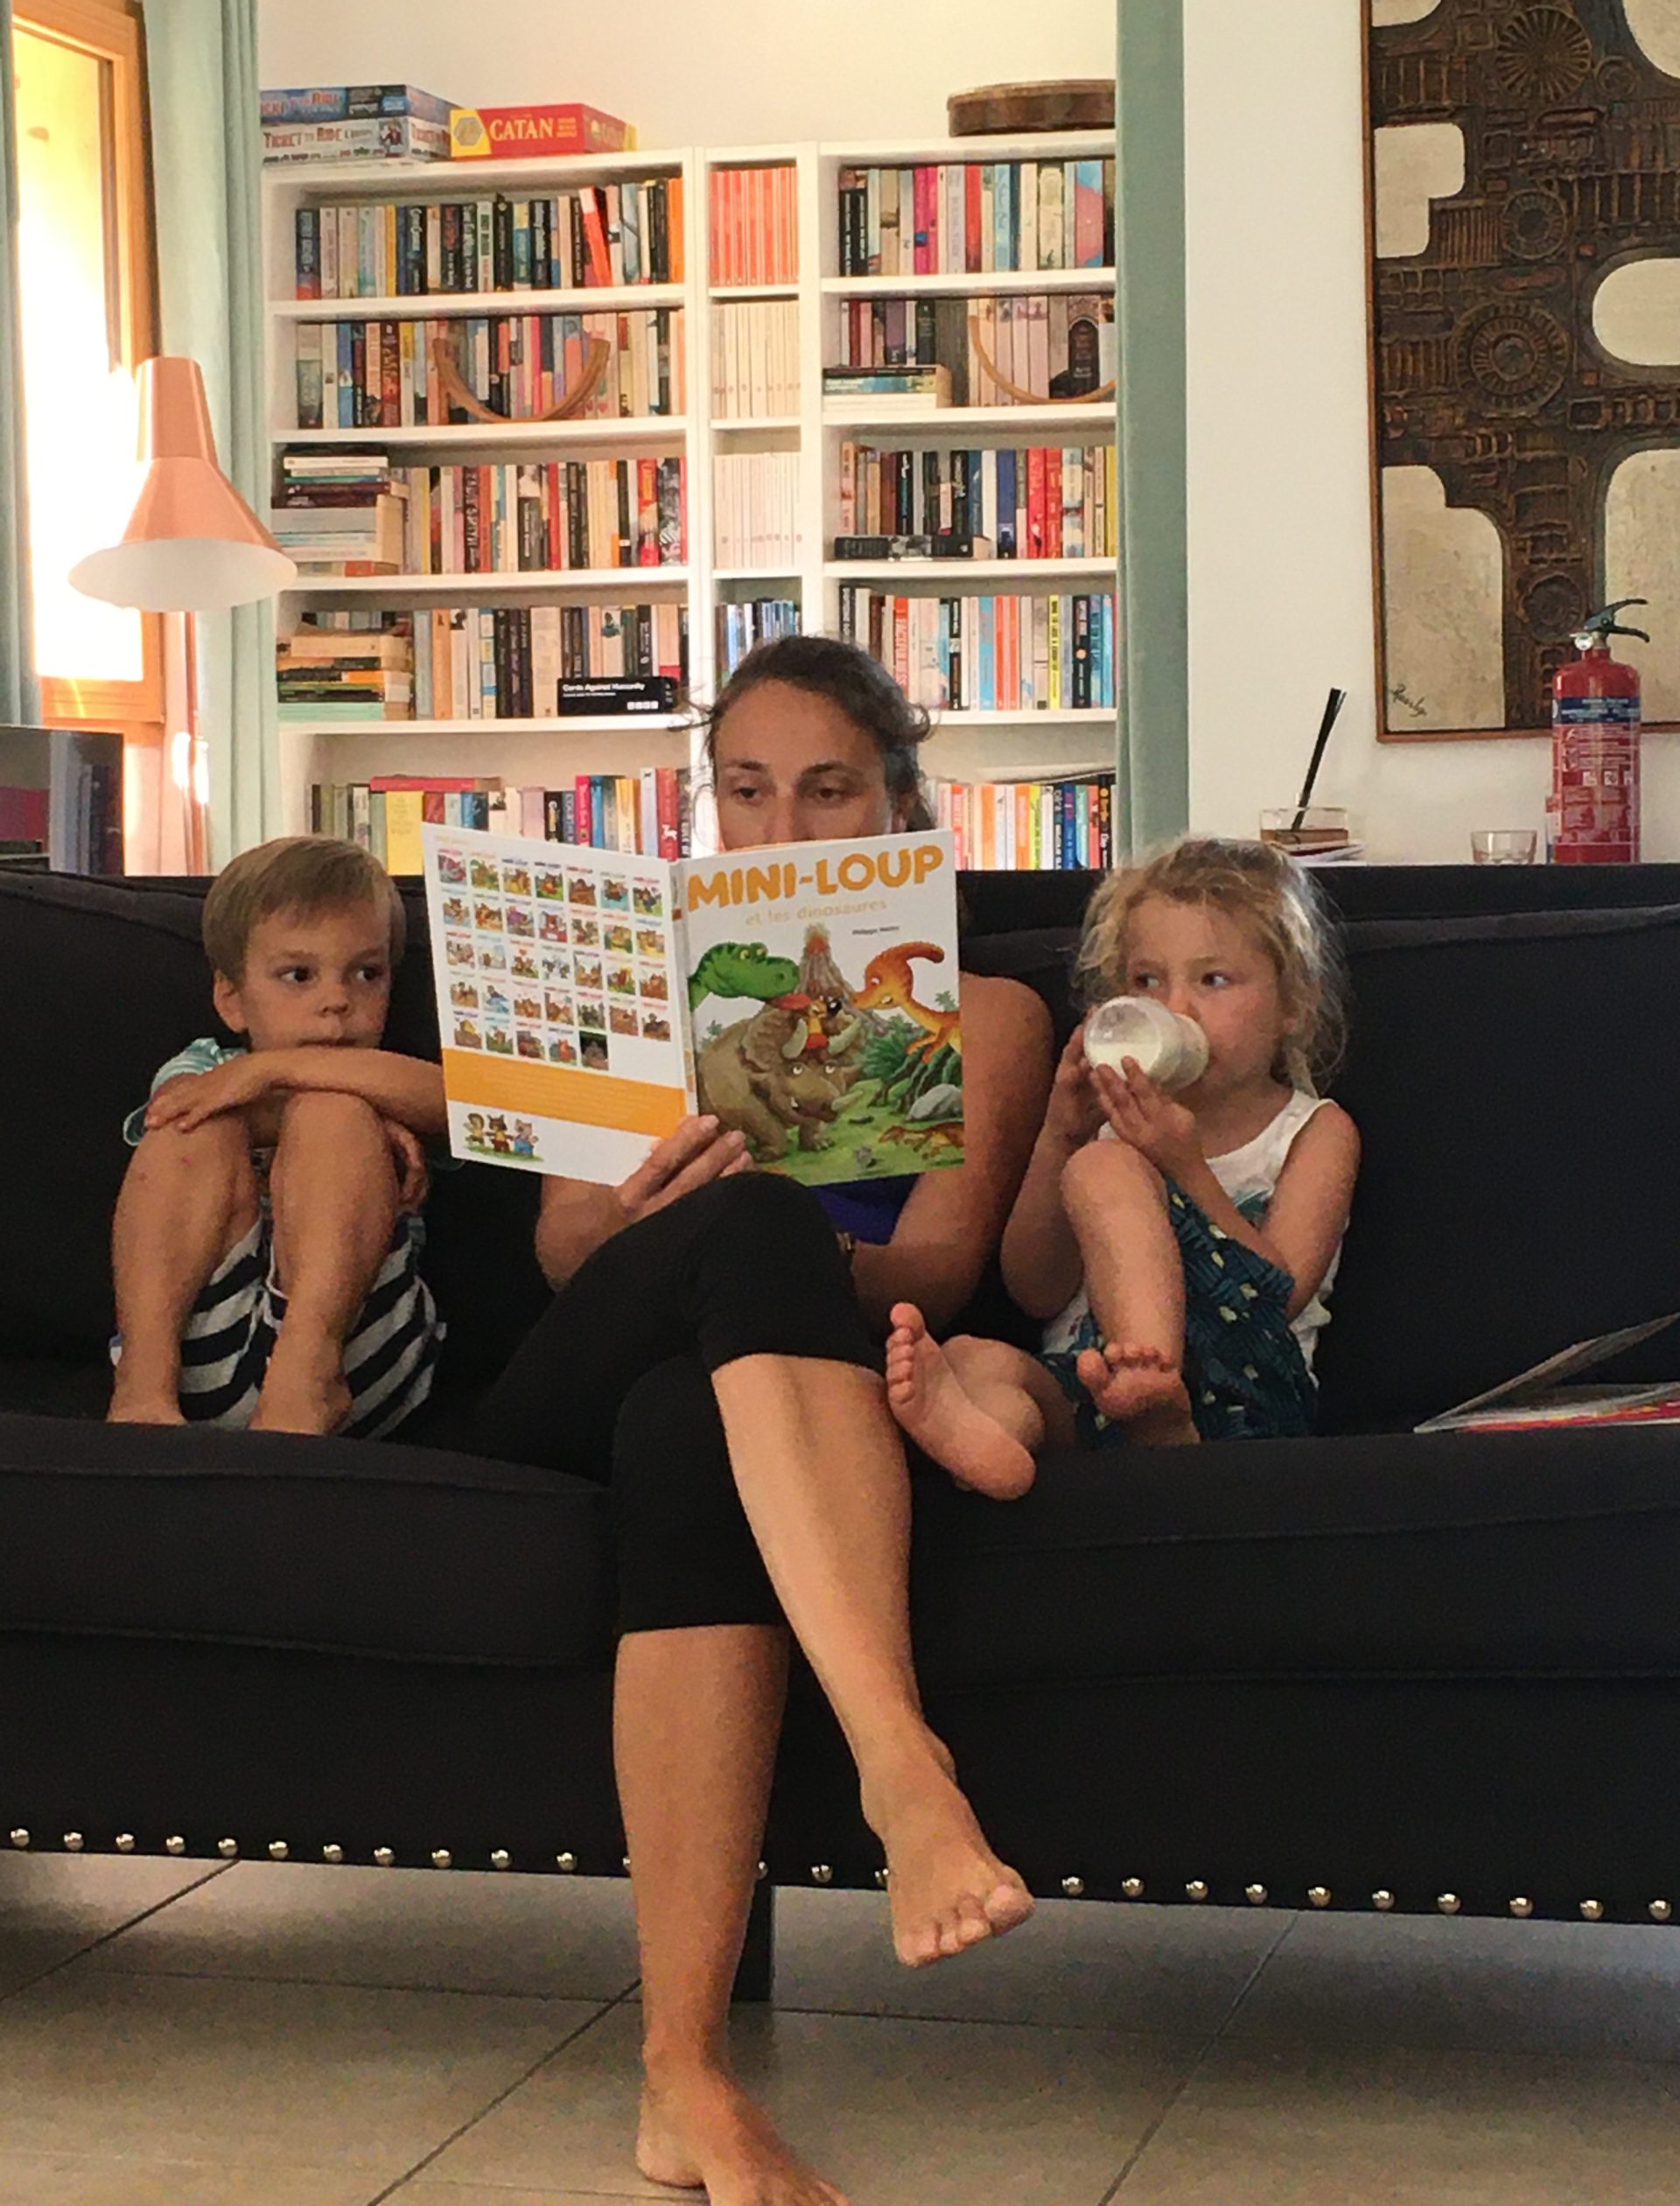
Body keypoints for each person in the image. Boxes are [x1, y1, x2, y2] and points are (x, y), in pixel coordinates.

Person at [474, 634, 1054, 2206]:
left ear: (900, 811)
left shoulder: (989, 1013)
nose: (782, 828)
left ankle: (684, 2077)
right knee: (746, 1234)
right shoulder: (632, 982)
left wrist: (773, 1253)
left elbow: (938, 1268)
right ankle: (900, 1764)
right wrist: (662, 1213)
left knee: (696, 1428)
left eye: (828, 791)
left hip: (764, 1400)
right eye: (746, 791)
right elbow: (563, 1253)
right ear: (708, 807)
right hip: (577, 1376)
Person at [886, 836, 1361, 1497]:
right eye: (1147, 981)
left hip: (1245, 1394)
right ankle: (995, 1443)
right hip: (1090, 1387)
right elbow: (1036, 1289)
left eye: (1213, 980)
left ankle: (1153, 1388)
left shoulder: (1312, 1131)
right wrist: (1062, 1134)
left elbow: (1281, 1298)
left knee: (1108, 1168)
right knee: (976, 1361)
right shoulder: (1106, 1127)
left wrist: (1183, 1167)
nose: (1174, 1009)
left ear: (1292, 1006)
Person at [108, 836, 446, 1440]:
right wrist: (348, 1110)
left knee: (332, 1113)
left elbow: (464, 1108)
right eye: (299, 975)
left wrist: (273, 1073)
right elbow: (176, 1112)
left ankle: (305, 1377)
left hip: (354, 1353)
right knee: (190, 1127)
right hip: (200, 1348)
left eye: (367, 973)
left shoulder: (385, 1077)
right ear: (232, 999)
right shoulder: (206, 1065)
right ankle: (141, 1385)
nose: (337, 1000)